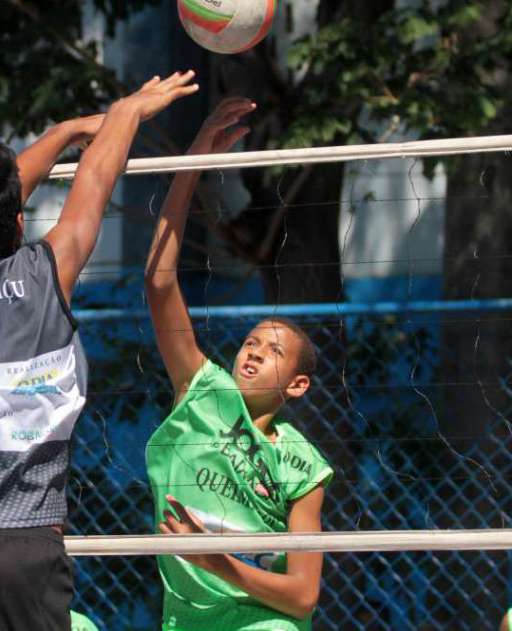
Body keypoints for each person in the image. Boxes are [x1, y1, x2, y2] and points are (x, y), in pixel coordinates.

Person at [0, 71, 199, 631]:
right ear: (18, 218)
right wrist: (126, 111)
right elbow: (97, 182)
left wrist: (63, 131)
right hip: (24, 552)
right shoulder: (44, 275)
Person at [143, 96, 334, 631]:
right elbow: (159, 282)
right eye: (251, 341)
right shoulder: (202, 391)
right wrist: (192, 162)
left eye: (272, 351)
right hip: (186, 620)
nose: (252, 351)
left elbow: (301, 597)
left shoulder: (303, 464)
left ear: (297, 385)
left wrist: (217, 561)